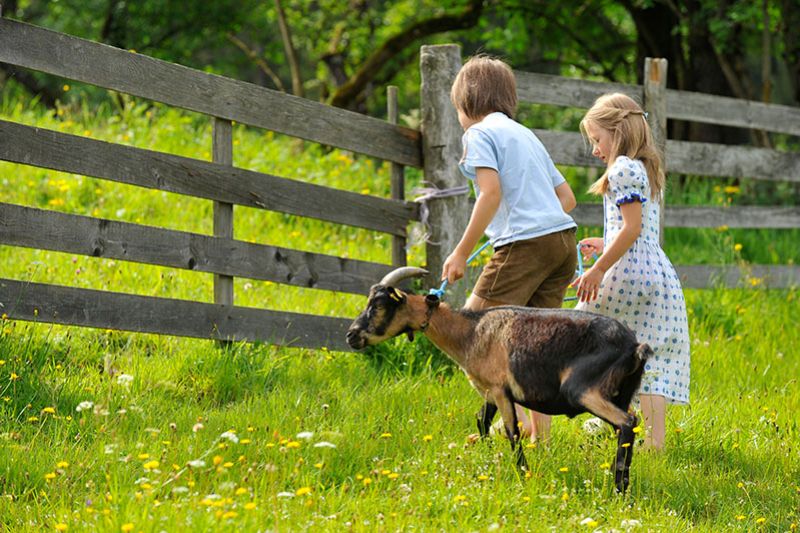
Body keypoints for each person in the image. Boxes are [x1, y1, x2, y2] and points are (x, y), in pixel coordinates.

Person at [442, 55, 578, 443]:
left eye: (457, 109)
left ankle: (509, 426)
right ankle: (542, 437)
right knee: (539, 346)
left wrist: (460, 253)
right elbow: (565, 198)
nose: (459, 118)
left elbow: (490, 193)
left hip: (526, 245)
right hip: (561, 242)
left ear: (467, 102)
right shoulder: (525, 134)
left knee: (469, 332)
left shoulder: (478, 134)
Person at [572, 92, 690, 450]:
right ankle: (653, 440)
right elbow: (635, 229)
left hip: (627, 277)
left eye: (597, 139)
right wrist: (604, 242)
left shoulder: (622, 167)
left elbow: (632, 228)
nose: (595, 149)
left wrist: (598, 269)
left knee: (576, 339)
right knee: (648, 354)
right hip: (655, 274)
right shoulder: (646, 168)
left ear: (618, 131)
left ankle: (577, 411)